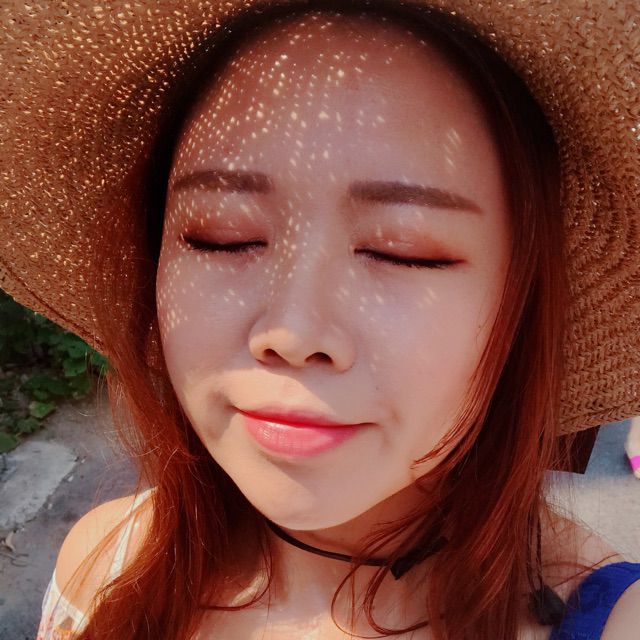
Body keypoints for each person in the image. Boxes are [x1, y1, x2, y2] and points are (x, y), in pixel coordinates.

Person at [0, 1, 638, 639]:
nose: (293, 332)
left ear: (521, 298)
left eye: (402, 250)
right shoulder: (104, 567)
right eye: (221, 236)